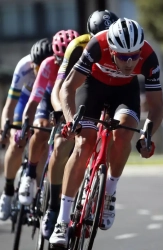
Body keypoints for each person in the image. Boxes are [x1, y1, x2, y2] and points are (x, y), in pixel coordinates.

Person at [49, 18, 163, 247]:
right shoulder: (96, 46)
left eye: (134, 55)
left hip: (125, 92)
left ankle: (109, 192)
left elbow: (157, 107)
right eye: (123, 56)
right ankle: (62, 220)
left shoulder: (149, 57)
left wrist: (146, 135)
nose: (130, 62)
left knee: (123, 134)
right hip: (94, 88)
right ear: (111, 50)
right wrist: (71, 120)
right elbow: (69, 87)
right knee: (84, 144)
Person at [41, 10, 118, 240]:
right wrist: (63, 115)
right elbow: (59, 89)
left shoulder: (121, 48)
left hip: (106, 92)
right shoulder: (78, 47)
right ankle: (54, 206)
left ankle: (97, 190)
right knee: (63, 143)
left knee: (115, 132)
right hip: (75, 95)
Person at [17, 30, 79, 207]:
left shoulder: (84, 64)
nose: (64, 65)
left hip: (70, 100)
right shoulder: (47, 65)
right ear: (55, 56)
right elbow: (33, 101)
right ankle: (29, 173)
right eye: (60, 59)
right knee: (41, 128)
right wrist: (25, 128)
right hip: (48, 98)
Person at [0, 38, 53, 221]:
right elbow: (9, 105)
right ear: (32, 64)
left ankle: (40, 195)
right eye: (38, 68)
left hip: (44, 104)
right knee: (17, 141)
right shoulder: (23, 67)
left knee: (43, 142)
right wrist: (5, 129)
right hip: (25, 102)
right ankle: (7, 192)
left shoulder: (54, 68)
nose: (41, 72)